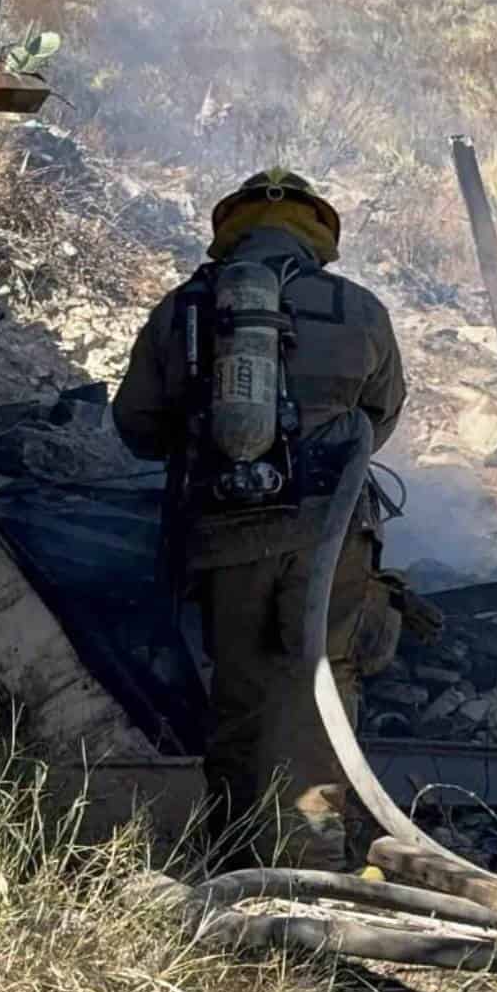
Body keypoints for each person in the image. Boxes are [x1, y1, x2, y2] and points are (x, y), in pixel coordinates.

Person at [114, 168, 406, 872]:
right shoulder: (359, 308)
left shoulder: (185, 310)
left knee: (240, 691)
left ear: (231, 228)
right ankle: (308, 864)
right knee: (320, 685)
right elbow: (382, 415)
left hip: (228, 537)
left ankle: (237, 863)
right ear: (318, 232)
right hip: (333, 539)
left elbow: (137, 426)